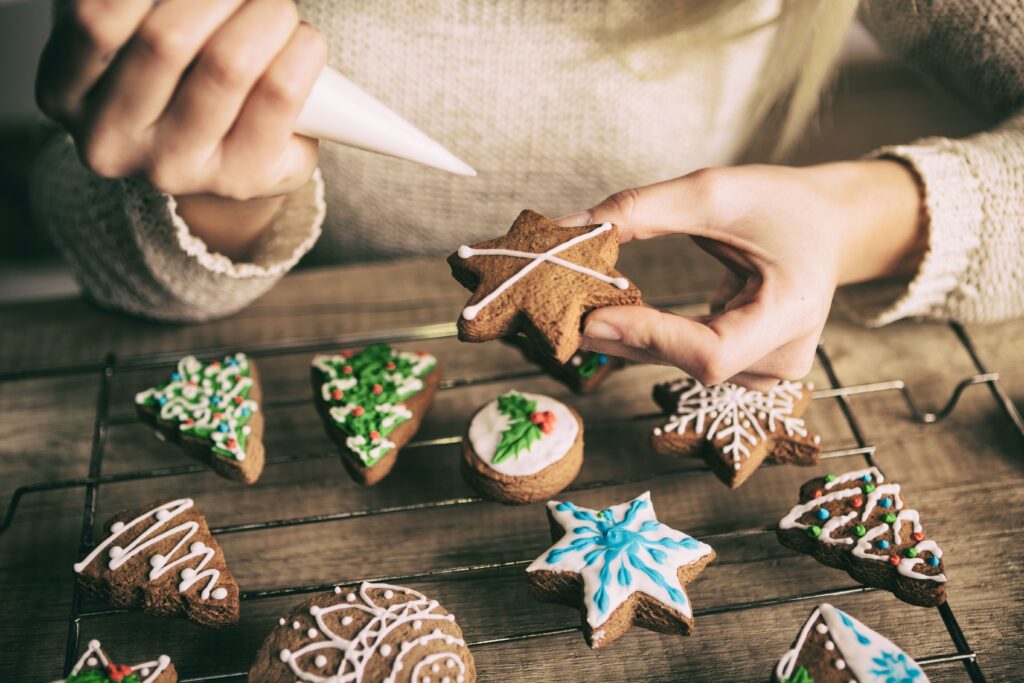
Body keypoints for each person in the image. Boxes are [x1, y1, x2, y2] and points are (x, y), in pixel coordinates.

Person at [31, 0, 1023, 391]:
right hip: (312, 349)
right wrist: (221, 205)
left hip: (668, 337)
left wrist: (854, 216)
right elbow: (96, 228)